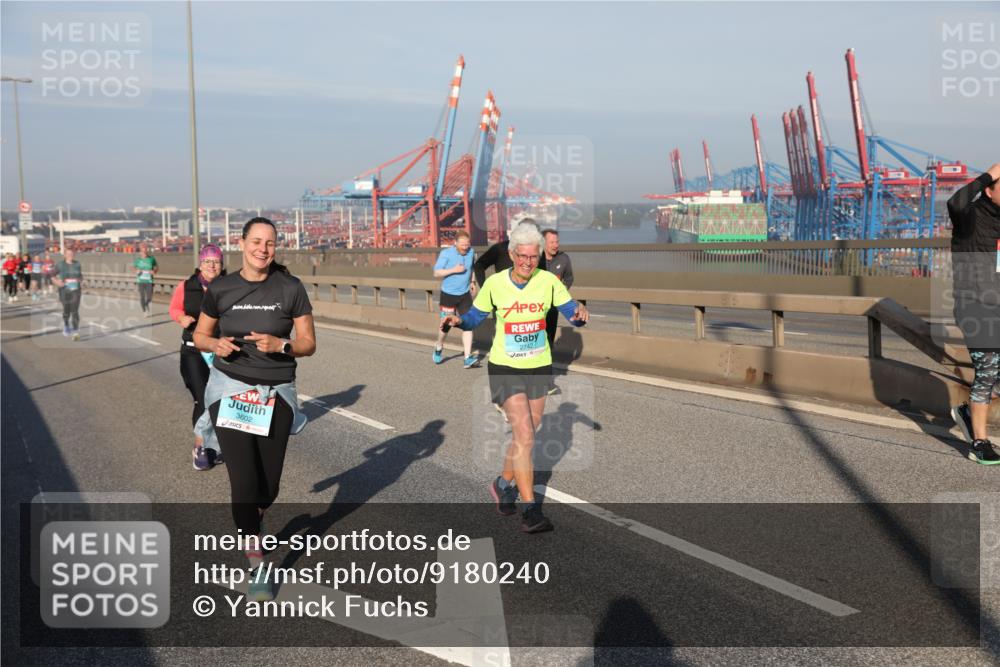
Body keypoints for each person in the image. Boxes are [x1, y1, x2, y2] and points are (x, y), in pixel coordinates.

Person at [193, 217, 316, 600]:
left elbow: (308, 343)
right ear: (242, 242)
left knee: (269, 485)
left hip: (276, 391)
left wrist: (282, 345)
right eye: (256, 241)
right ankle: (256, 560)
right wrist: (215, 345)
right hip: (230, 389)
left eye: (270, 243)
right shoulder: (221, 287)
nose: (263, 249)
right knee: (244, 481)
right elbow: (200, 334)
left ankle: (255, 516)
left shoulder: (291, 288)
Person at [442, 223, 589, 533]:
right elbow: (474, 318)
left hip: (539, 366)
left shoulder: (548, 282)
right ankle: (531, 510)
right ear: (511, 255)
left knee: (527, 434)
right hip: (505, 368)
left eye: (533, 257)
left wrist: (579, 315)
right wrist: (458, 321)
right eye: (522, 256)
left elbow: (571, 311)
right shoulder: (496, 284)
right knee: (525, 436)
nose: (527, 262)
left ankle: (502, 482)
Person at [949, 162, 1000, 465]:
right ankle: (979, 442)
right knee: (988, 369)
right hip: (973, 305)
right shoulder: (969, 216)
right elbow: (955, 201)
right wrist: (989, 174)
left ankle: (968, 412)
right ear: (989, 190)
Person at [170, 244, 226, 471]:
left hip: (221, 349)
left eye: (216, 262)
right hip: (193, 352)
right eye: (207, 261)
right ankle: (201, 447)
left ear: (222, 265)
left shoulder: (230, 286)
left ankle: (217, 445)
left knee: (221, 400)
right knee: (203, 399)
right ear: (200, 264)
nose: (212, 266)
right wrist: (181, 318)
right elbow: (174, 308)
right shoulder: (186, 286)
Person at [432, 230, 478, 368]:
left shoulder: (471, 252)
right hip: (448, 295)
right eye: (462, 245)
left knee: (468, 324)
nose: (465, 247)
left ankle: (467, 358)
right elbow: (436, 272)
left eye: (467, 244)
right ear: (455, 243)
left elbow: (472, 268)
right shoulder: (446, 254)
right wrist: (454, 270)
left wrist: (472, 281)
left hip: (464, 294)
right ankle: (439, 345)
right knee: (446, 325)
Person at [541, 229, 575, 395]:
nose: (556, 245)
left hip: (552, 309)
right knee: (534, 344)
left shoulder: (563, 258)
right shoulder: (534, 258)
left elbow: (569, 278)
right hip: (533, 309)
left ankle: (546, 382)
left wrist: (562, 289)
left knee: (547, 343)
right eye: (552, 242)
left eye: (557, 241)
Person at [52, 247, 83, 340]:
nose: (70, 255)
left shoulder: (77, 264)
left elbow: (80, 275)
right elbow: (52, 275)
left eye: (72, 254)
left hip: (76, 290)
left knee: (75, 311)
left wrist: (81, 280)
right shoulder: (60, 264)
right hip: (64, 290)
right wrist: (57, 282)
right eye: (68, 254)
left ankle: (76, 331)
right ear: (65, 255)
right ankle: (66, 325)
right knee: (66, 310)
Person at [134, 244, 158, 317]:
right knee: (142, 297)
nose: (144, 253)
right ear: (140, 252)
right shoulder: (138, 260)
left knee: (149, 297)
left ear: (147, 251)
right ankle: (144, 311)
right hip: (140, 281)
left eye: (145, 251)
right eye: (142, 251)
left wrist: (154, 271)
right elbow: (134, 268)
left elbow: (156, 267)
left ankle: (146, 304)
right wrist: (137, 271)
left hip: (149, 281)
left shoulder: (151, 259)